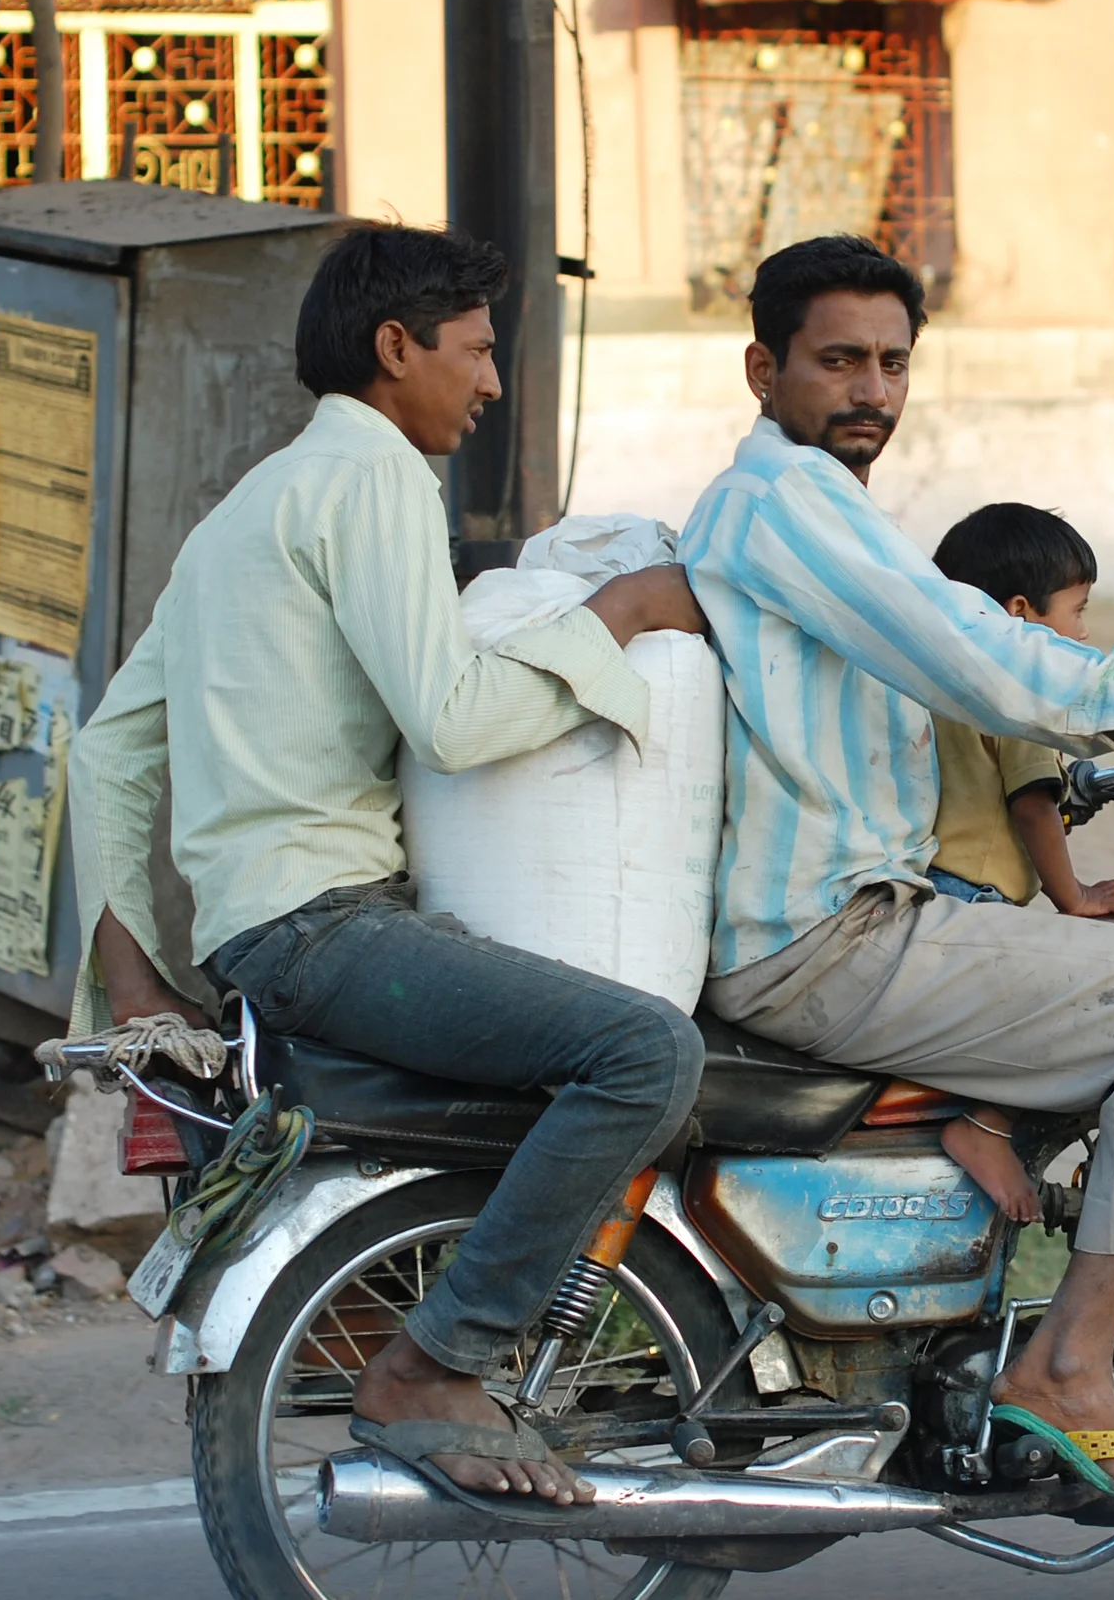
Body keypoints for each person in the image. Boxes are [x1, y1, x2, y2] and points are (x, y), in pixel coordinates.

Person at [66, 222, 707, 1508]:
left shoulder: (247, 507)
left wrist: (133, 983)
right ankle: (437, 1361)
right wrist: (621, 612)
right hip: (328, 930)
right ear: (396, 346)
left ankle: (417, 1318)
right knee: (647, 1054)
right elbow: (453, 719)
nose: (490, 384)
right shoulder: (375, 480)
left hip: (258, 936)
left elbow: (104, 751)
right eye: (475, 351)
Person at [678, 235, 1114, 1508]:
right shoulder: (785, 504)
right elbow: (982, 654)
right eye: (838, 361)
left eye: (891, 363)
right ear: (762, 370)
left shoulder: (815, 507)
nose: (870, 389)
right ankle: (1068, 1363)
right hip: (832, 934)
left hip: (850, 920)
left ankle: (1002, 1322)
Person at [922, 502, 1114, 1225]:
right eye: (1077, 611)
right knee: (1083, 992)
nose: (1083, 633)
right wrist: (1072, 897)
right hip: (977, 896)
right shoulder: (1016, 689)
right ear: (1019, 613)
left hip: (930, 888)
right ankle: (987, 1124)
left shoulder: (942, 673)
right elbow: (1032, 806)